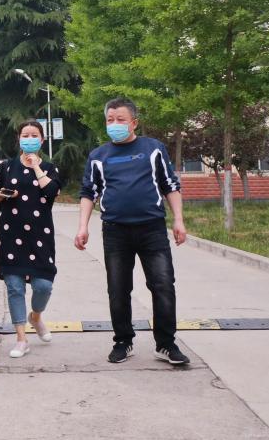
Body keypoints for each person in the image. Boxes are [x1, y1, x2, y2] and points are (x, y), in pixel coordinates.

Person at [75, 97, 189, 365]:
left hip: (152, 229)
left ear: (134, 122)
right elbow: (89, 192)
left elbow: (170, 185)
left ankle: (166, 344)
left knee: (163, 285)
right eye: (110, 120)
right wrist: (83, 227)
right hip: (115, 232)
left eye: (120, 120)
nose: (114, 124)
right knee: (118, 289)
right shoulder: (98, 156)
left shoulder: (153, 149)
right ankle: (123, 341)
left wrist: (179, 220)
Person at [0, 120, 61, 358]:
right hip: (11, 235)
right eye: (25, 135)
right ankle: (21, 339)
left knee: (43, 286)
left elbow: (52, 192)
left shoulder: (49, 168)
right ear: (19, 139)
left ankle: (36, 317)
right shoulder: (5, 166)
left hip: (41, 237)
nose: (29, 139)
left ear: (42, 140)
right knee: (14, 287)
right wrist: (0, 194)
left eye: (34, 135)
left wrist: (36, 168)